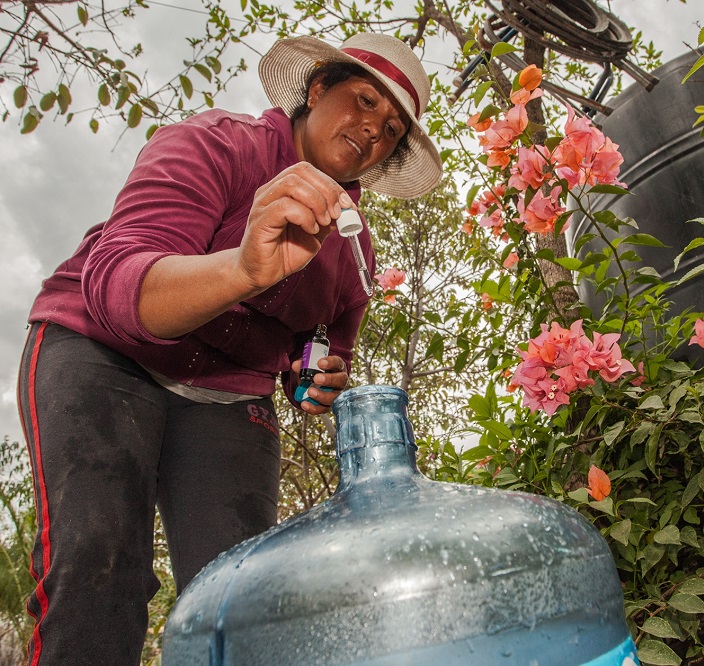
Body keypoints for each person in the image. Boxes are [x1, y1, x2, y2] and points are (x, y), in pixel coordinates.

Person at [16, 32, 442, 665]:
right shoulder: (214, 143)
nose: (371, 130)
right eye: (362, 100)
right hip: (101, 354)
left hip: (226, 393)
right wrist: (244, 268)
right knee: (100, 570)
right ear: (316, 89)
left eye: (390, 128)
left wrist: (319, 379)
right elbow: (119, 286)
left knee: (240, 599)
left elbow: (323, 349)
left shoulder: (355, 254)